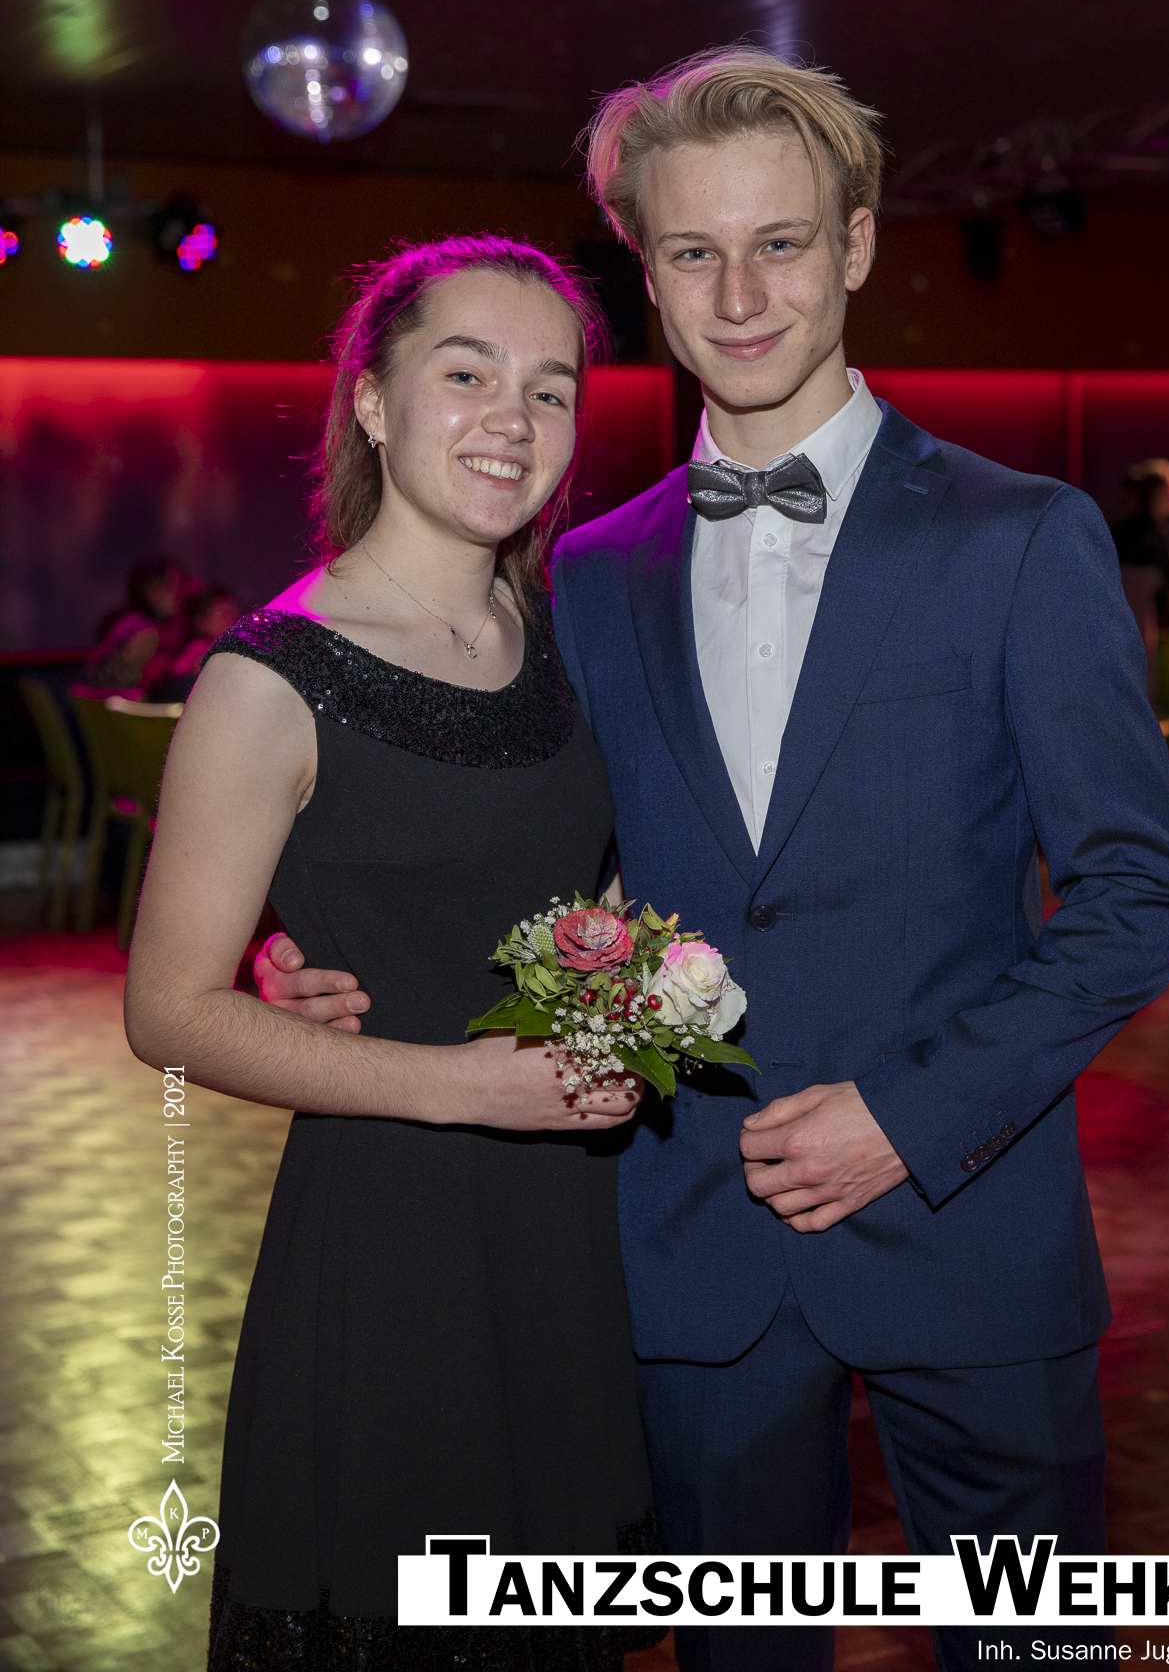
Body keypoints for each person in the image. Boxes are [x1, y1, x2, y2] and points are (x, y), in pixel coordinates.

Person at [261, 50, 1169, 1672]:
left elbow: (1139, 895)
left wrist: (908, 1119)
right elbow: (543, 872)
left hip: (973, 1235)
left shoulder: (1021, 536)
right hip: (687, 1250)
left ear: (857, 245)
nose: (742, 295)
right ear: (648, 273)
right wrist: (335, 957)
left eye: (781, 243)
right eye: (696, 252)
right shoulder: (588, 575)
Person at [123, 236, 661, 1672]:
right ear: (370, 400)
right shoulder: (268, 679)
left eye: (550, 390)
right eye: (466, 374)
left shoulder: (573, 642)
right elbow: (166, 1012)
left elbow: (602, 890)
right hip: (393, 1243)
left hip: (574, 1239)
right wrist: (463, 1083)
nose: (513, 420)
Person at [1108, 460, 1169, 707]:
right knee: (1139, 679)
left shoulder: (1115, 530)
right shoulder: (1155, 534)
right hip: (1139, 620)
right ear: (1157, 494)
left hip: (1109, 619)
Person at [83, 553, 187, 690]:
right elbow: (111, 684)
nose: (178, 594)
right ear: (149, 590)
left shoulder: (146, 624)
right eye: (170, 587)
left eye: (180, 586)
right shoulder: (140, 629)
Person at [143, 583, 240, 701]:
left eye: (232, 611)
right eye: (223, 613)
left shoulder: (239, 649)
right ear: (201, 622)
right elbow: (172, 680)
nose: (232, 618)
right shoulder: (196, 650)